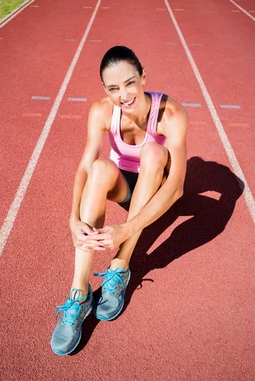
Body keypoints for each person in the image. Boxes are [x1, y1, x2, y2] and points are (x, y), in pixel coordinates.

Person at [51, 46, 188, 355]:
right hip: (125, 188)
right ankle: (79, 293)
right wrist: (72, 218)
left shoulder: (172, 114)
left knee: (153, 153)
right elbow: (86, 166)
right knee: (99, 167)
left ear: (143, 77)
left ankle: (120, 267)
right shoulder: (101, 111)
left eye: (130, 83)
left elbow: (177, 187)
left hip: (158, 190)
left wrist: (127, 230)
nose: (124, 95)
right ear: (105, 90)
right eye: (113, 88)